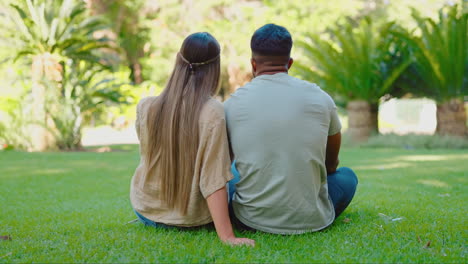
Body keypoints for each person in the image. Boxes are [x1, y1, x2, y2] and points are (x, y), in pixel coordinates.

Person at [224, 24, 358, 234]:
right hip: (313, 219)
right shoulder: (321, 98)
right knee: (347, 177)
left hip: (250, 219)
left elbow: (222, 168)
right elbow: (331, 166)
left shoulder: (232, 104)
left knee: (232, 170)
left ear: (253, 64)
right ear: (290, 63)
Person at [130, 32, 254, 246]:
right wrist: (228, 237)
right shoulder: (213, 111)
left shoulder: (145, 107)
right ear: (215, 67)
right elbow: (213, 178)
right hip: (193, 219)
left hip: (147, 212)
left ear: (178, 58)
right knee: (233, 170)